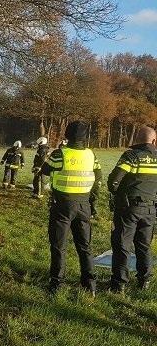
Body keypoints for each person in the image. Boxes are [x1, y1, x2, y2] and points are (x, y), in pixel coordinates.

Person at [40, 121, 102, 296]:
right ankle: (90, 284)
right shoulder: (91, 155)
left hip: (62, 205)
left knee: (59, 245)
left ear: (67, 135)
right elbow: (98, 174)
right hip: (84, 204)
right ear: (85, 137)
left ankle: (56, 284)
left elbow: (45, 170)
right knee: (85, 245)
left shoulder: (61, 154)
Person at [107, 126, 157, 293]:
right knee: (144, 246)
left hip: (129, 208)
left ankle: (119, 284)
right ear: (154, 141)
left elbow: (114, 181)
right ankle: (145, 281)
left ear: (137, 139)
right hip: (151, 209)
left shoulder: (131, 156)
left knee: (122, 244)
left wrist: (118, 195)